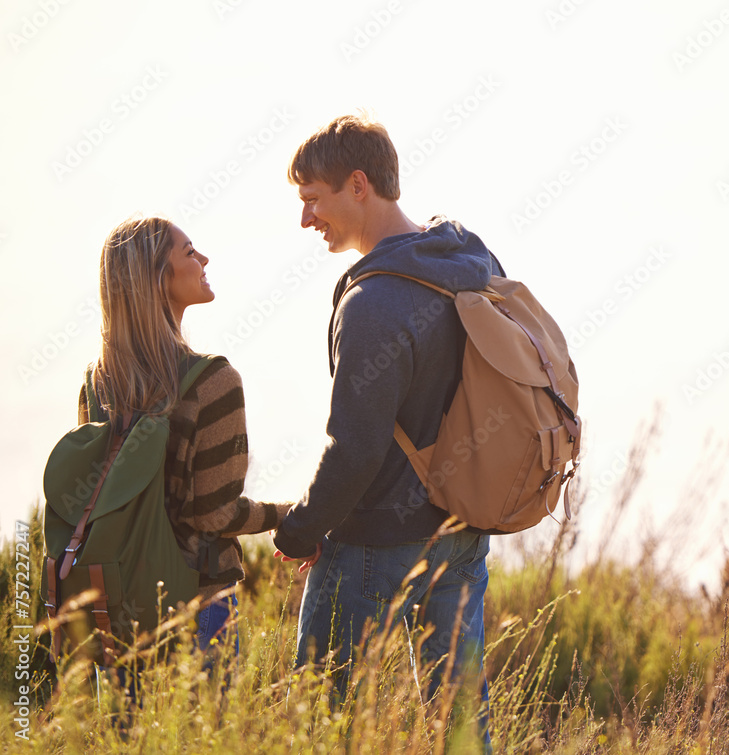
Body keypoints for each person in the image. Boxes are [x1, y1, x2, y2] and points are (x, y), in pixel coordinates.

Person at [271, 114, 501, 748]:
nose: (305, 219)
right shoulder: (469, 259)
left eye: (312, 200)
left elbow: (356, 450)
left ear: (358, 185)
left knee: (325, 720)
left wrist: (299, 530)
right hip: (461, 533)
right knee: (462, 726)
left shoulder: (372, 303)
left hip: (376, 543)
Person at [85, 216, 291, 656]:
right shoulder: (212, 380)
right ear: (160, 279)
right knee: (202, 724)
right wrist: (286, 514)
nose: (204, 259)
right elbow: (214, 515)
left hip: (115, 603)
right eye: (190, 252)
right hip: (200, 601)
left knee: (125, 726)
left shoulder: (98, 383)